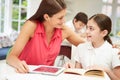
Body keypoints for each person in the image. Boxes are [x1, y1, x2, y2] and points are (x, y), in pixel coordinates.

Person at [6, 0, 84, 73]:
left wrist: (76, 64)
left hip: (46, 76)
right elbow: (11, 57)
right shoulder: (31, 26)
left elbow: (85, 45)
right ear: (46, 17)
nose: (64, 21)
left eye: (64, 16)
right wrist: (18, 63)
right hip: (25, 74)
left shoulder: (64, 30)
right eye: (60, 18)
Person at [65, 14, 120, 80]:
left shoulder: (114, 52)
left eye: (91, 29)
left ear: (104, 33)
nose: (87, 31)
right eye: (87, 28)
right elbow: (78, 74)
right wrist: (71, 68)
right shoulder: (81, 47)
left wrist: (107, 70)